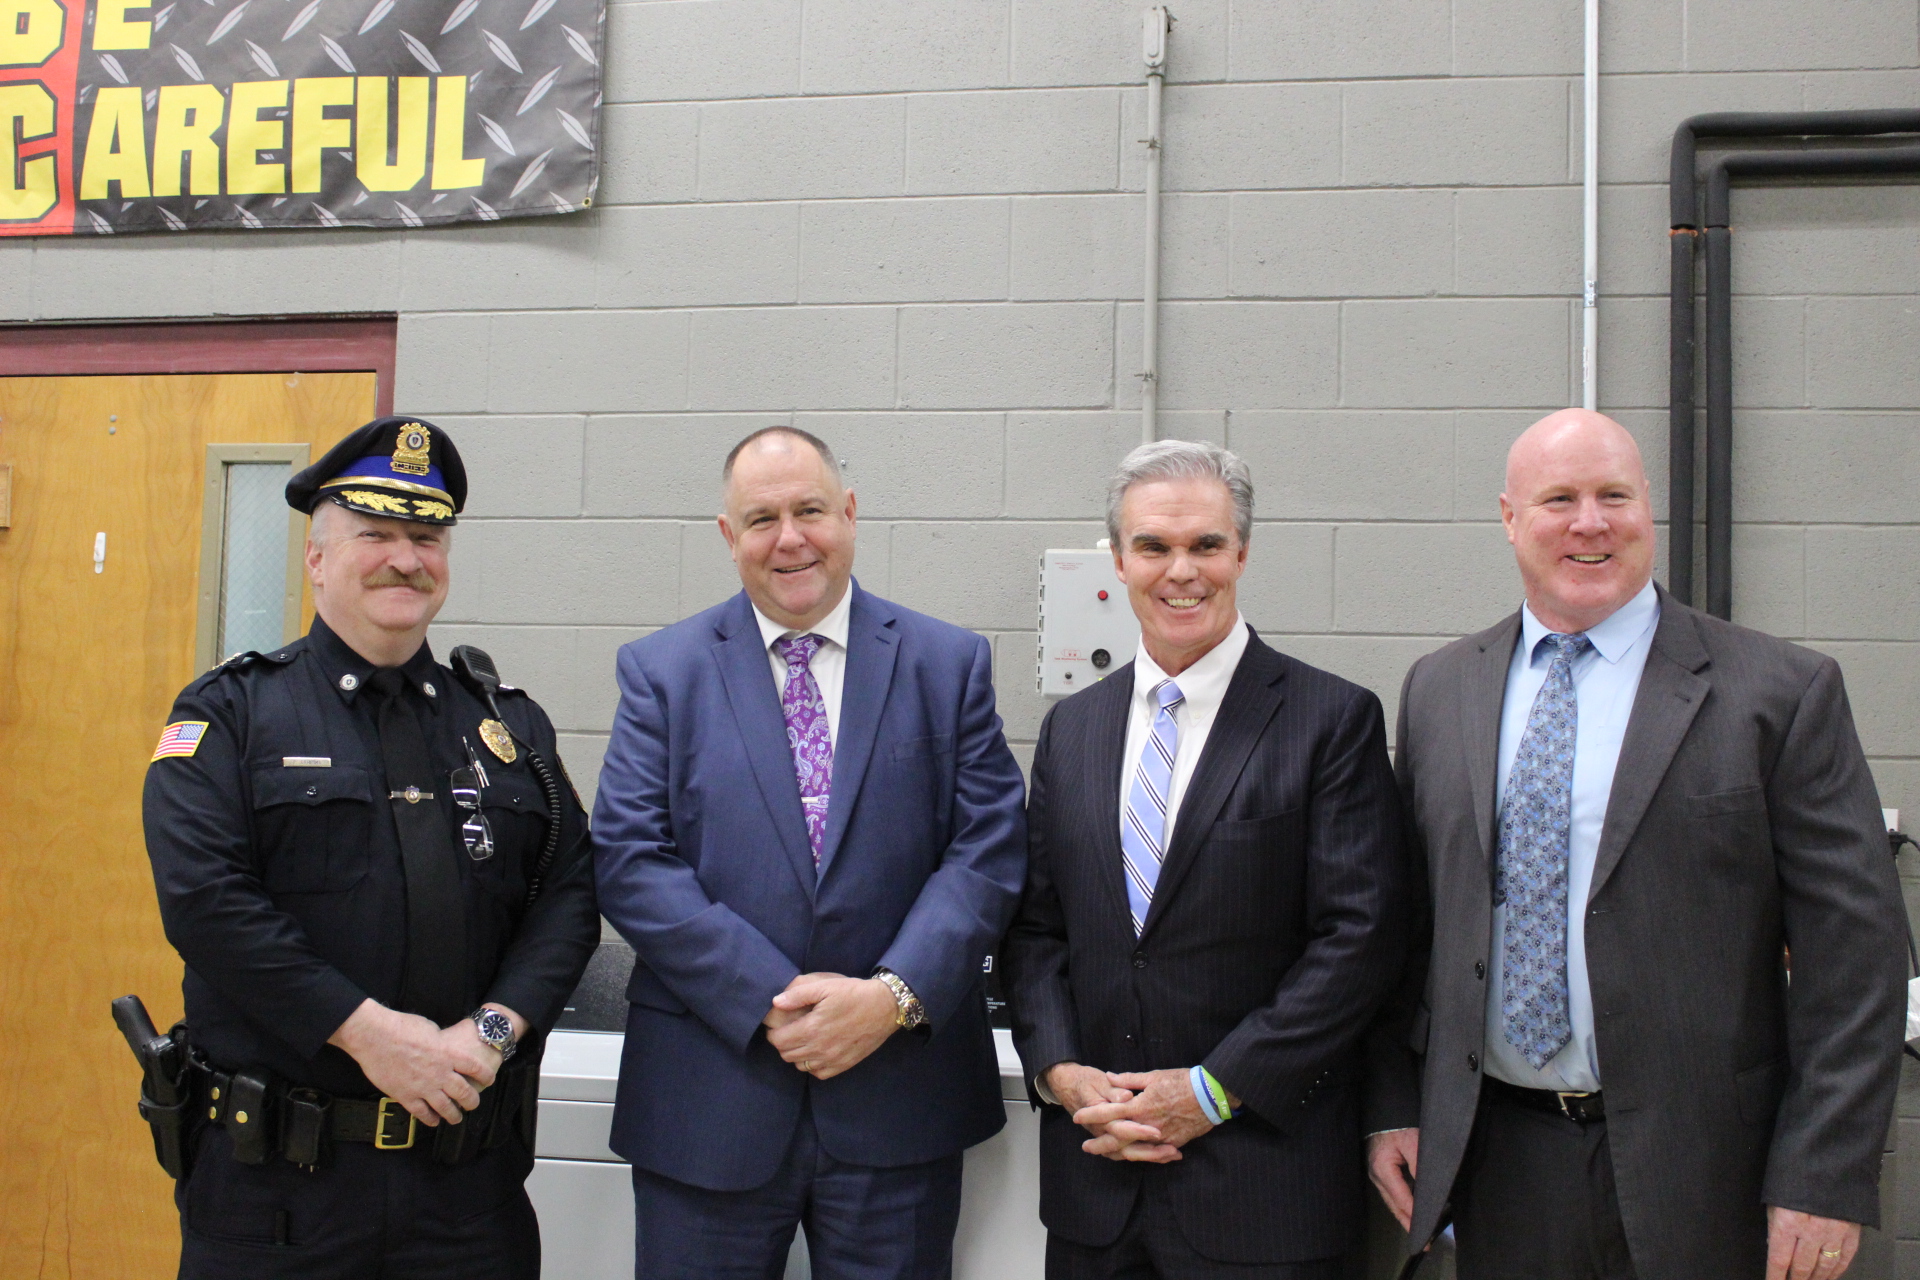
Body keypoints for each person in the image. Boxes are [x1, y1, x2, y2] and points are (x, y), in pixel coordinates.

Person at [1365, 408, 1908, 1280]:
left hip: (1712, 1174)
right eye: (1560, 499)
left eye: (1614, 496)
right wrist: (1395, 1104)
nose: (1590, 523)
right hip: (1501, 1166)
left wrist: (1824, 1173)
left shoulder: (1779, 692)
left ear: (1647, 505)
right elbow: (1405, 932)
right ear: (1509, 517)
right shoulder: (1440, 689)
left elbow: (1856, 958)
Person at [141, 417, 600, 1277]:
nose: (405, 559)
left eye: (426, 538)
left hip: (468, 1193)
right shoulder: (230, 714)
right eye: (375, 535)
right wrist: (368, 1035)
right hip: (277, 1195)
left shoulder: (506, 726)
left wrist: (491, 1033)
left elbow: (570, 895)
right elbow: (206, 901)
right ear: (317, 559)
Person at [591, 426, 1028, 1279]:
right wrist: (768, 996)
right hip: (709, 1101)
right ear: (729, 536)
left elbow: (988, 847)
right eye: (762, 519)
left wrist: (891, 998)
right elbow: (630, 858)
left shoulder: (947, 663)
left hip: (899, 1100)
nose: (790, 539)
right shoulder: (661, 672)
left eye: (810, 511)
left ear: (850, 513)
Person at [1002, 439, 1407, 1279]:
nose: (1181, 571)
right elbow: (1037, 928)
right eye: (1153, 546)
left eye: (1206, 545)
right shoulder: (1072, 730)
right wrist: (1059, 1070)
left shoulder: (1330, 720)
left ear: (1242, 553)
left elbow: (1359, 941)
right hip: (1096, 1185)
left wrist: (1213, 1090)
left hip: (1264, 1193)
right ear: (1119, 560)